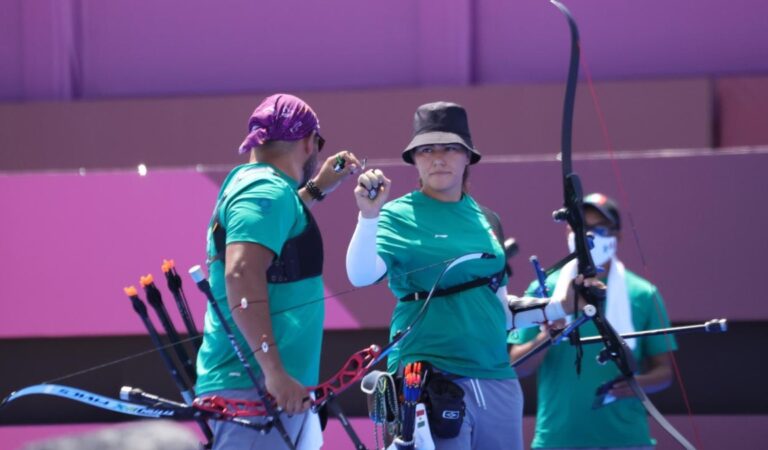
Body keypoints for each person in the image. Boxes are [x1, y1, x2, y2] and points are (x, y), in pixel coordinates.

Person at [345, 101, 600, 450]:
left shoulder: (487, 220)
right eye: (427, 149)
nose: (438, 157)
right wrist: (368, 216)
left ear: (468, 156)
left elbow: (499, 310)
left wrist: (561, 305)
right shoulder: (395, 215)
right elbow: (360, 276)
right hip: (431, 382)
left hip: (496, 380)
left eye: (450, 148)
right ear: (414, 159)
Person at [195, 93, 362, 449]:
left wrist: (317, 189)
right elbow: (241, 272)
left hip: (262, 391)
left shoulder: (266, 190)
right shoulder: (264, 190)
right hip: (255, 391)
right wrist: (273, 372)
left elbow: (274, 231)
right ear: (308, 141)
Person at [508, 193, 677, 450]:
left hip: (626, 439)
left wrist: (635, 384)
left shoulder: (643, 294)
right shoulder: (544, 289)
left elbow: (663, 372)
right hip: (557, 439)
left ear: (617, 236)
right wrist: (546, 336)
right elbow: (516, 366)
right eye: (580, 228)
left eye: (599, 228)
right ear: (568, 231)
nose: (589, 236)